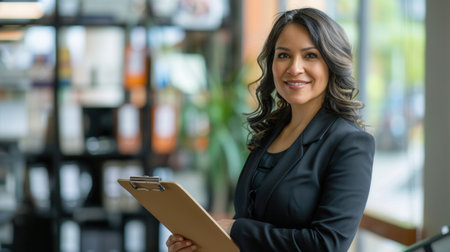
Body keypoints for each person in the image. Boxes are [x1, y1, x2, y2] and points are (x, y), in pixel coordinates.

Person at [166, 7, 375, 252]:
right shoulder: (272, 131)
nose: (295, 68)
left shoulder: (350, 143)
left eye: (310, 56)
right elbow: (255, 222)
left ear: (331, 63)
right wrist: (205, 243)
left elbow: (327, 244)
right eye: (284, 55)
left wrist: (234, 229)